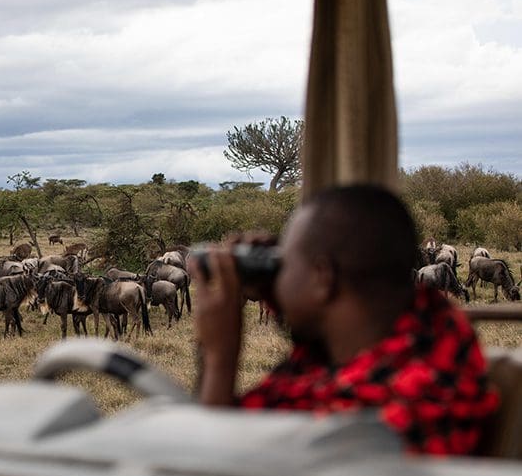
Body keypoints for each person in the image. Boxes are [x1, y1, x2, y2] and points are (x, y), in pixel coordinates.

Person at [189, 185, 498, 455]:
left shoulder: (369, 421)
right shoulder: (436, 334)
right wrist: (289, 292)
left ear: (323, 278)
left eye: (287, 263)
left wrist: (218, 357)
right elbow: (323, 338)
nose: (280, 275)